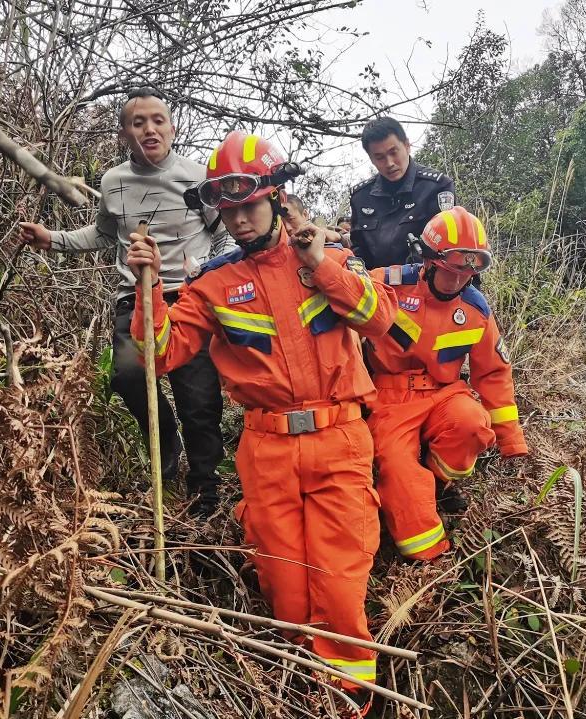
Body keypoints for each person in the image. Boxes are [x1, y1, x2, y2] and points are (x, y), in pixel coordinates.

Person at [126, 131, 396, 715]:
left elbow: (379, 322)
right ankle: (305, 695)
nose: (239, 220)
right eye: (228, 210)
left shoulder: (329, 260)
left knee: (340, 583)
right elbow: (162, 354)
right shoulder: (214, 283)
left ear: (275, 198)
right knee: (285, 589)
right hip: (266, 450)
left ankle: (353, 699)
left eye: (249, 205)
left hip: (339, 439)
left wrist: (319, 264)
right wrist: (149, 290)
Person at [16, 88, 226, 516]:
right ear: (124, 135)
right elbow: (105, 234)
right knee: (128, 379)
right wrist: (52, 239)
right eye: (138, 123)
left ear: (172, 127)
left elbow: (221, 234)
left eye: (158, 120)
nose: (150, 129)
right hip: (134, 296)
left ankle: (206, 489)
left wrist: (205, 272)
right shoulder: (113, 181)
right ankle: (166, 447)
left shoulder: (198, 177)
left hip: (188, 298)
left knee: (199, 399)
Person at [364, 206, 527, 562]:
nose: (458, 280)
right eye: (451, 269)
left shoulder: (476, 309)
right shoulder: (387, 284)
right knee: (398, 470)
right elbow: (348, 297)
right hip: (390, 396)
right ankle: (429, 559)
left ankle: (439, 482)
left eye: (469, 271)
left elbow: (493, 374)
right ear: (428, 259)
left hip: (444, 392)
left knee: (472, 423)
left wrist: (512, 442)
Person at [349, 116, 456, 269]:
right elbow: (358, 252)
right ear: (371, 159)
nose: (389, 163)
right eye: (380, 157)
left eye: (393, 152)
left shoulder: (437, 187)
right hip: (377, 286)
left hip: (424, 284)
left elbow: (449, 248)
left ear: (407, 145)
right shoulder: (361, 197)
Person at [281, 192, 349, 247]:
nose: (287, 228)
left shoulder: (327, 234)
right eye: (281, 223)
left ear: (305, 215)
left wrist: (339, 238)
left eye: (291, 219)